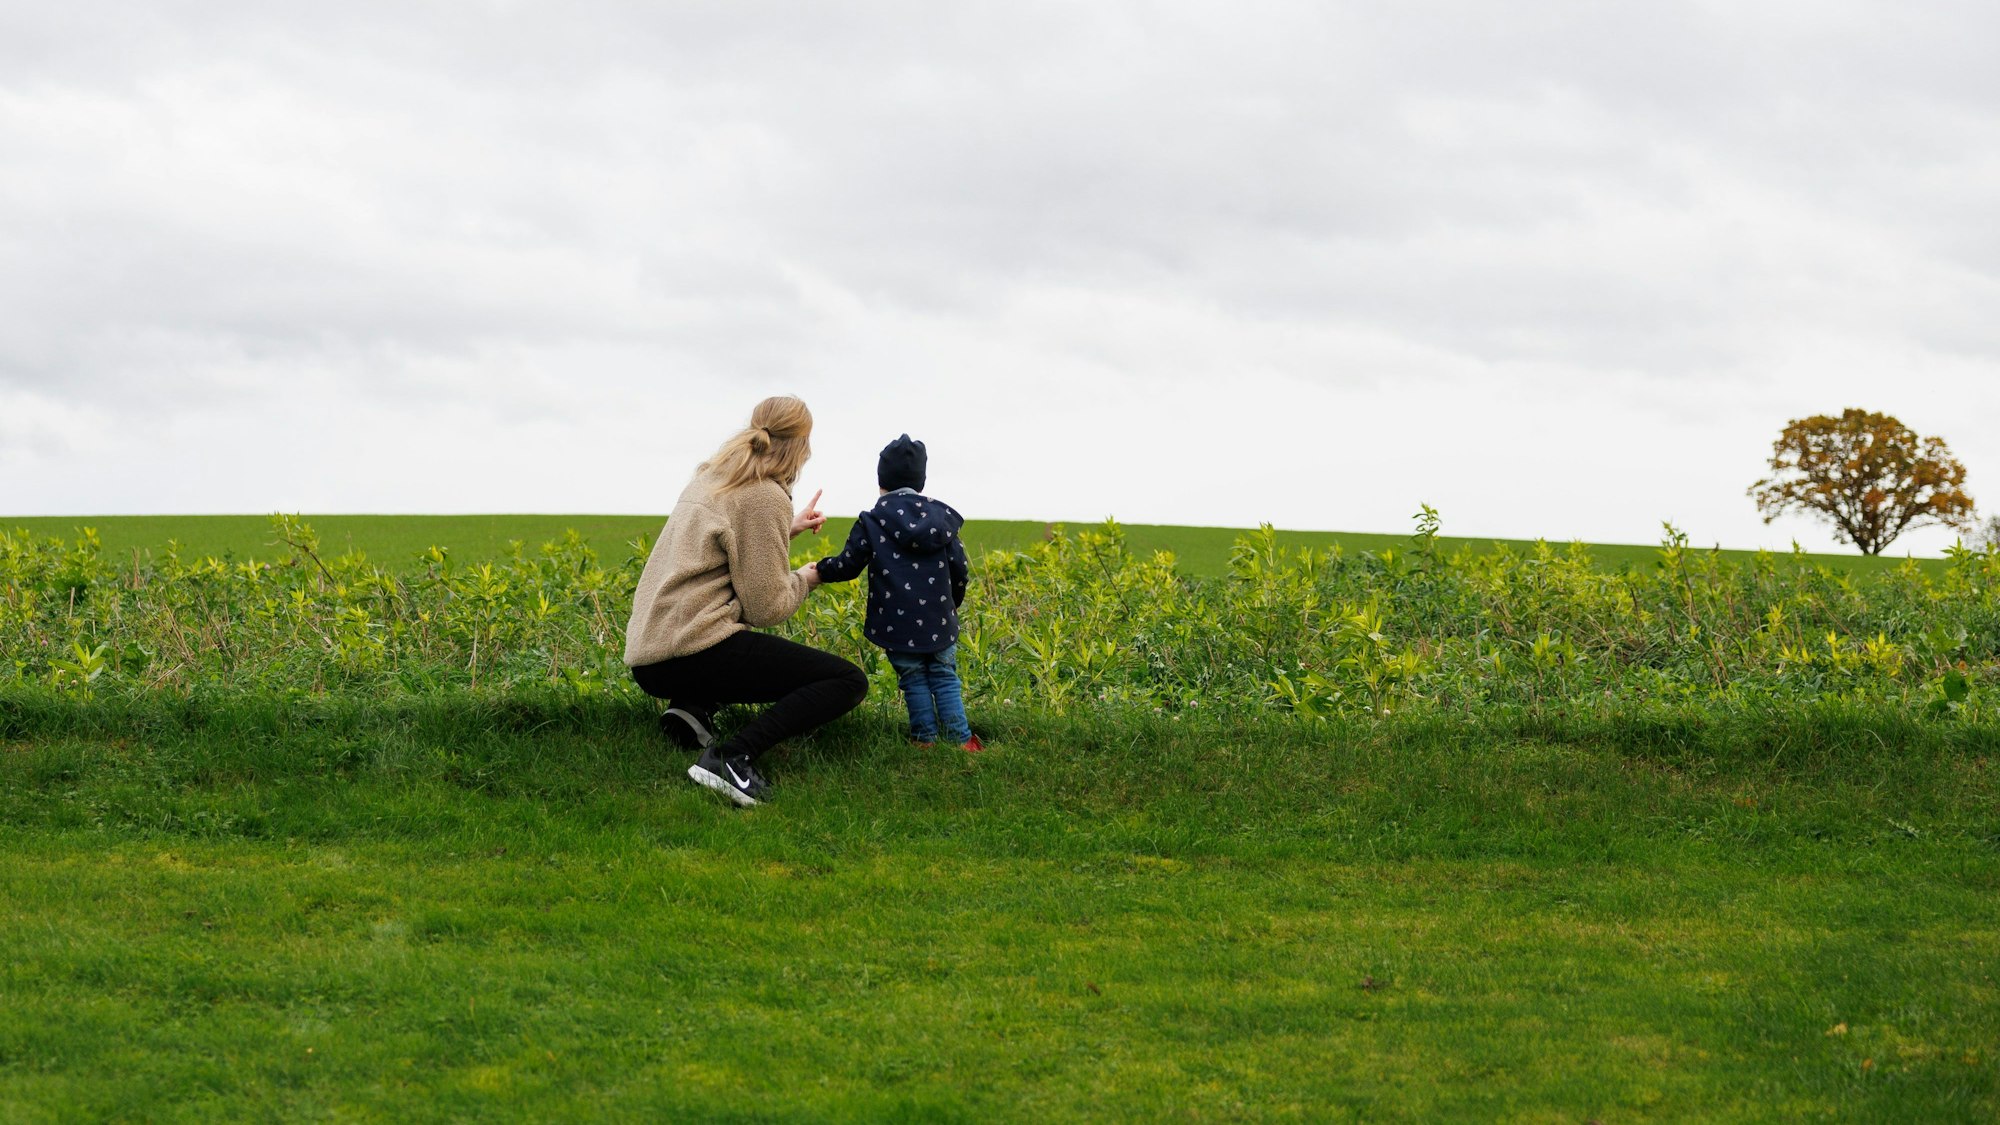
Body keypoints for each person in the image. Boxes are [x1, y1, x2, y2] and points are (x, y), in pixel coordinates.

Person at [624, 396, 865, 806]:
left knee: (734, 639)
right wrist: (810, 577)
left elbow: (720, 547)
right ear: (801, 446)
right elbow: (765, 608)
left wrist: (782, 530)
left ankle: (689, 712)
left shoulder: (712, 478)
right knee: (845, 681)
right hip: (693, 647)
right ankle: (732, 757)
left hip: (652, 656)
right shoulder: (764, 495)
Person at [812, 434, 982, 752]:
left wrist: (820, 570)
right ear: (921, 480)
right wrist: (952, 605)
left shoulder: (872, 521)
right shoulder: (941, 521)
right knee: (945, 677)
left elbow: (848, 566)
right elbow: (959, 569)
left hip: (896, 624)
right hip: (939, 620)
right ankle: (961, 742)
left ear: (881, 482)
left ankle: (924, 740)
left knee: (914, 678)